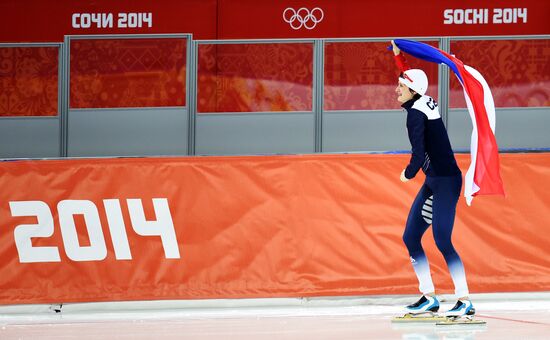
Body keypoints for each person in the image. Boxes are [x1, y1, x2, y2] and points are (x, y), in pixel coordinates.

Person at [391, 40, 474, 318]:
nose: (396, 90)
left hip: (447, 181)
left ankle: (465, 300)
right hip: (434, 180)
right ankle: (429, 297)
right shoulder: (422, 100)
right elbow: (412, 81)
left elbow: (418, 152)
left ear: (412, 91)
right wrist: (399, 58)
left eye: (400, 87)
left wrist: (408, 173)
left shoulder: (415, 113)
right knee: (411, 237)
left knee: (442, 240)